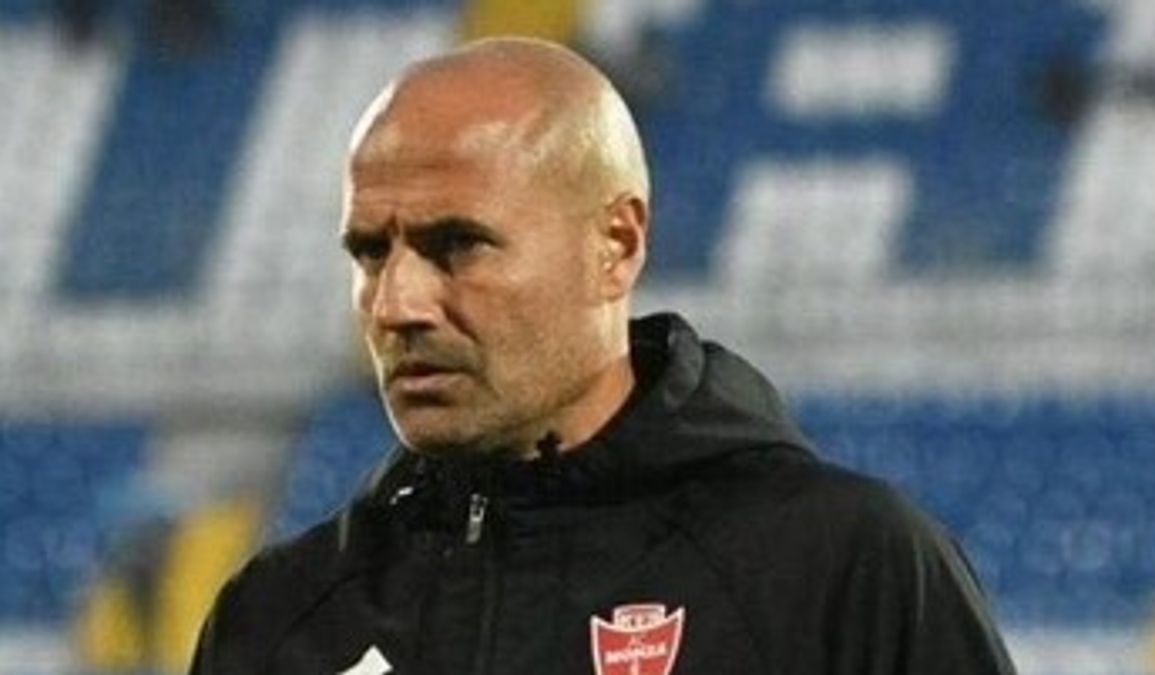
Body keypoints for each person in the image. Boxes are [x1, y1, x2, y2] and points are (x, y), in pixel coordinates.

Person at [189, 37, 1015, 674]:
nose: (397, 304)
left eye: (458, 244)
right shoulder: (279, 616)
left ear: (615, 244)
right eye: (371, 252)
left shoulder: (840, 570)